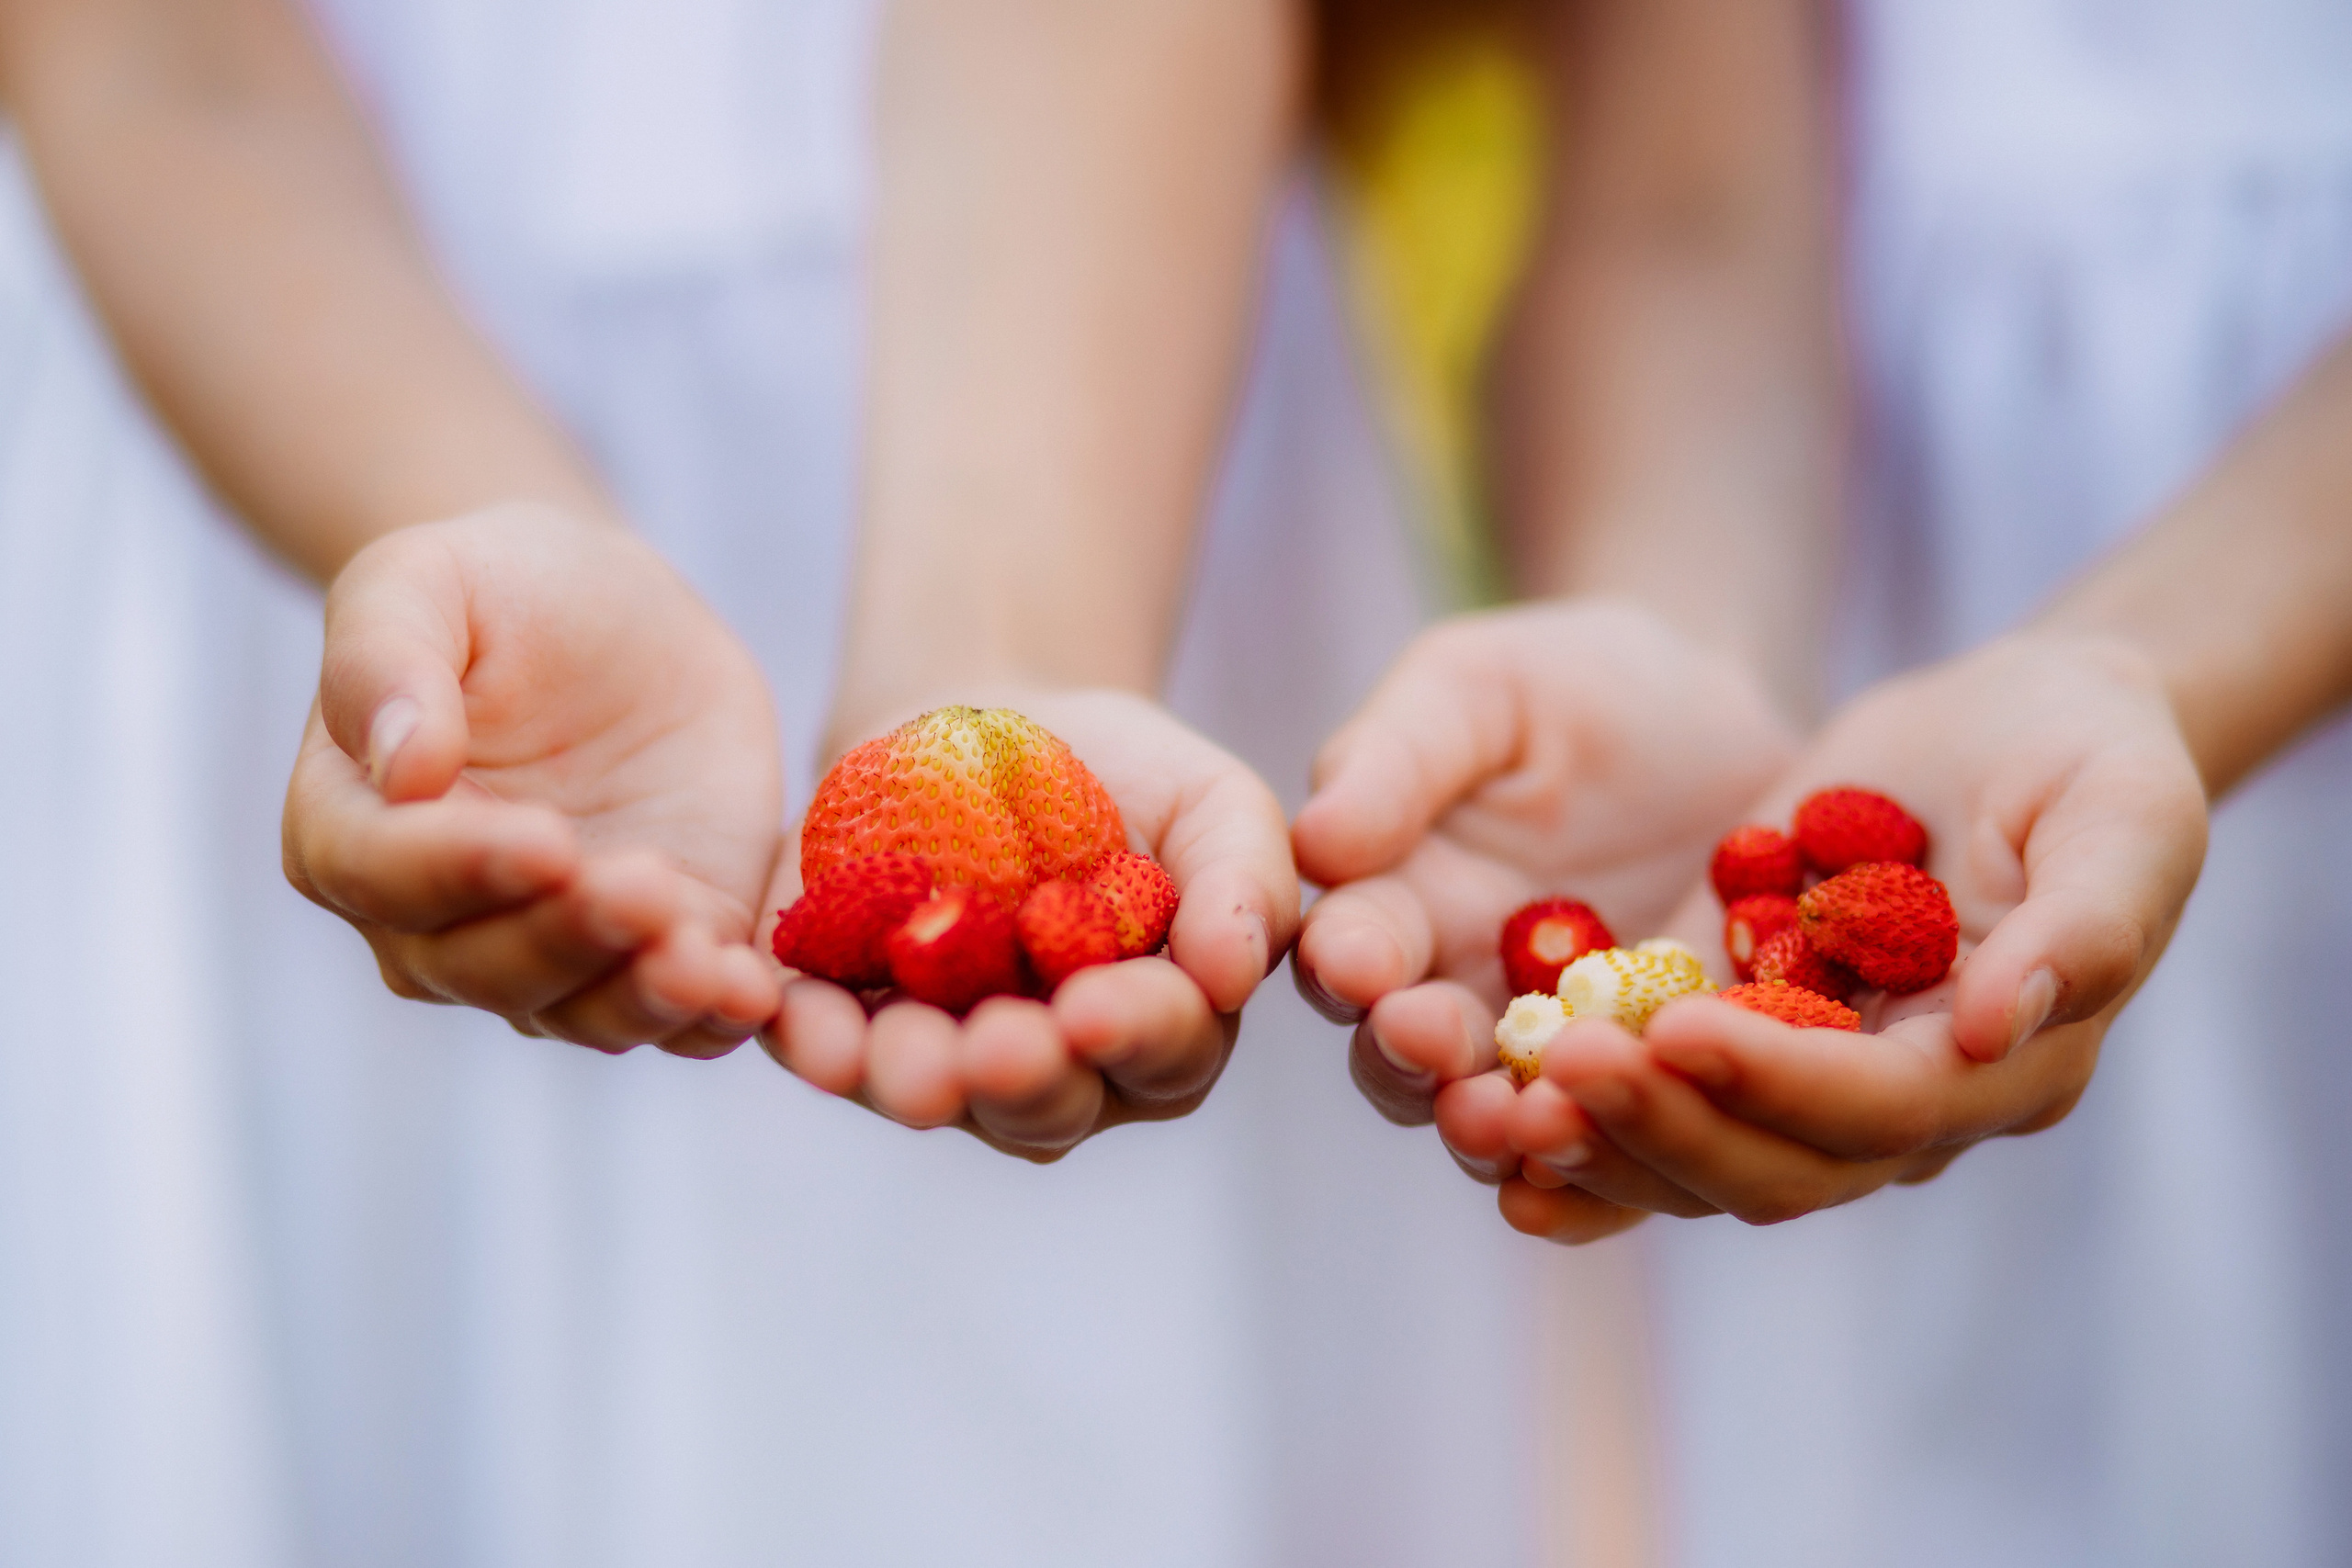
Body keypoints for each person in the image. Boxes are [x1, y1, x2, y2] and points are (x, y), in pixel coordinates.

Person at [0, 1, 1537, 1562]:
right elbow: (146, 49)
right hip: (299, 361)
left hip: (1076, 350)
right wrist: (475, 542)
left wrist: (1002, 635)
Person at [1298, 0, 2352, 1559]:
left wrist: (2142, 671)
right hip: (1889, 595)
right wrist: (1673, 626)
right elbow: (1685, 217)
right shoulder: (1812, 857)